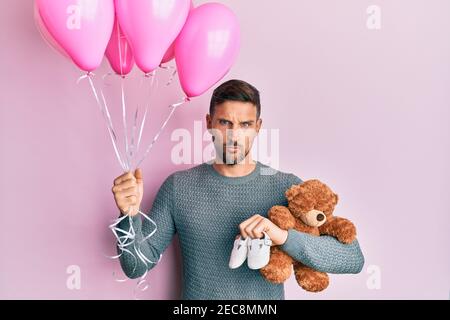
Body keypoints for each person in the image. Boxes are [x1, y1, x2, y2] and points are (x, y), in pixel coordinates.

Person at [111, 79, 364, 300]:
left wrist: (282, 237)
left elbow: (353, 258)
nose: (233, 135)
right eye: (225, 122)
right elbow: (136, 267)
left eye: (244, 124)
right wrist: (129, 217)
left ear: (258, 127)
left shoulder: (288, 189)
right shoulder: (179, 187)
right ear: (209, 123)